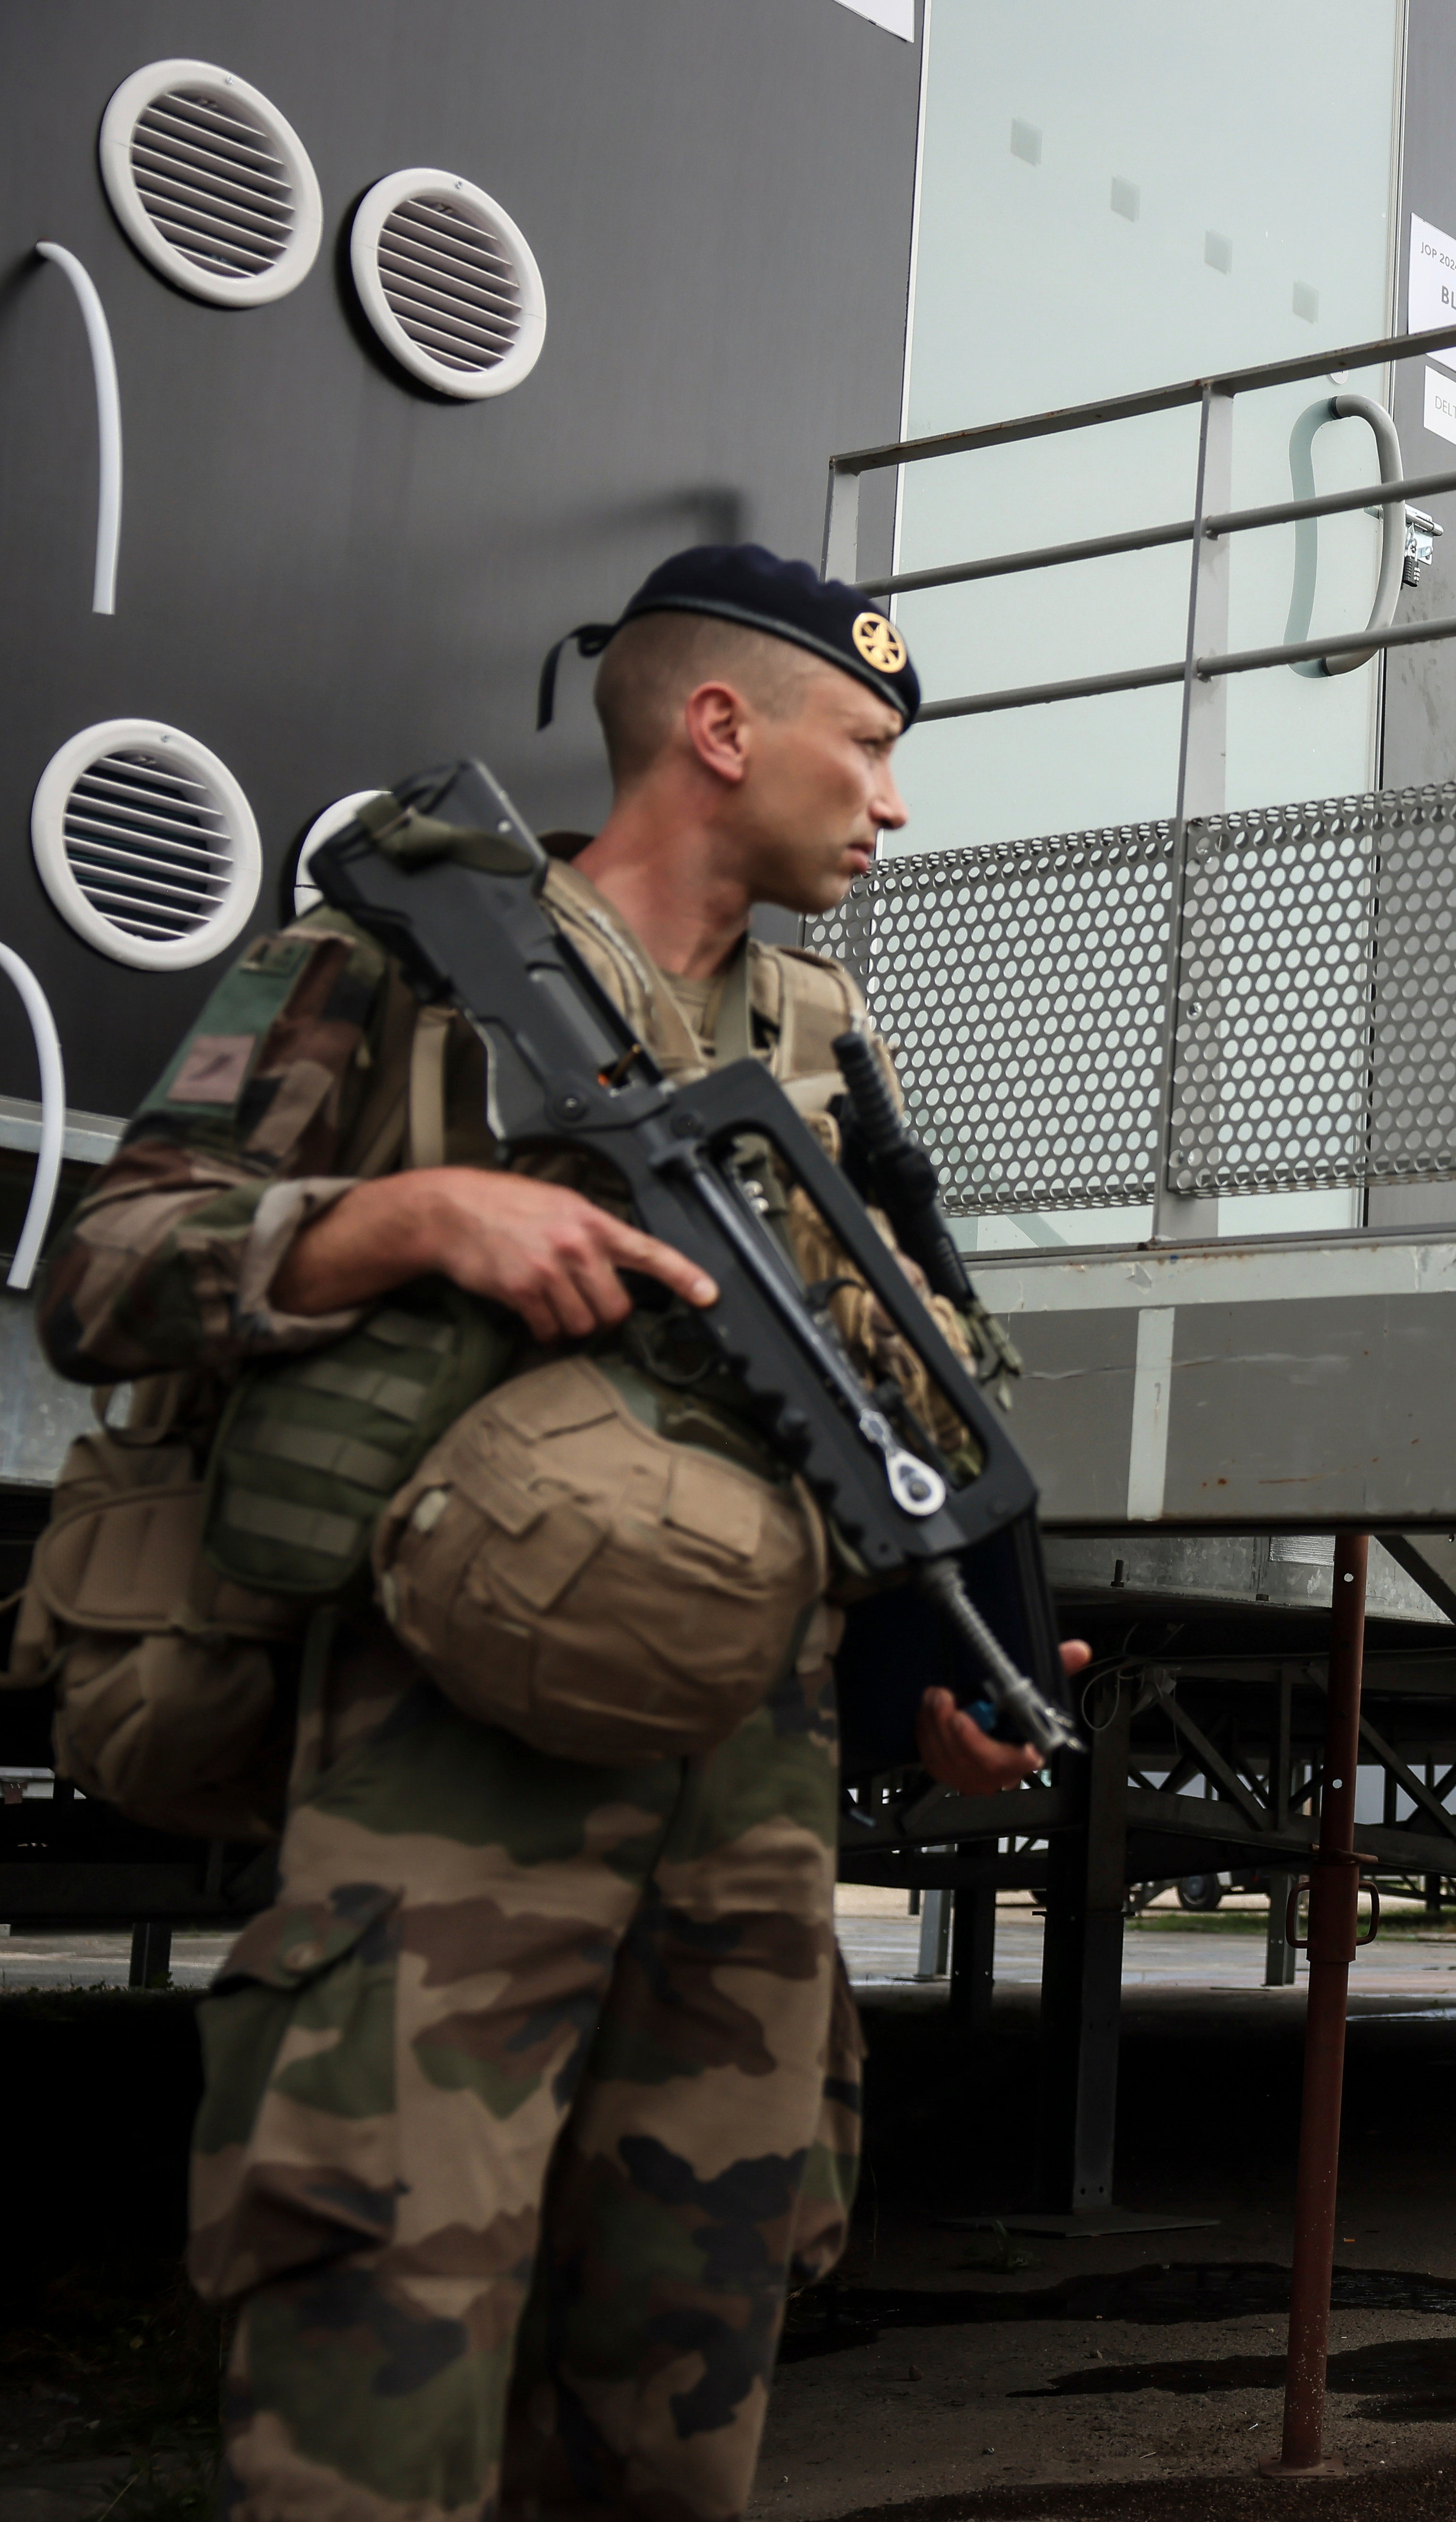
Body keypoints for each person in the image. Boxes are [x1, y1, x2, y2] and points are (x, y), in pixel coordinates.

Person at [37, 545, 1060, 2522]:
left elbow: (872, 1402)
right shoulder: (400, 963)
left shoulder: (826, 1041)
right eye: (867, 745)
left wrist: (929, 1698)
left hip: (746, 1802)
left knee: (688, 2371)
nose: (895, 798)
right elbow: (105, 1273)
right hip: (442, 1775)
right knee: (374, 2363)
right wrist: (407, 1222)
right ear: (717, 727)